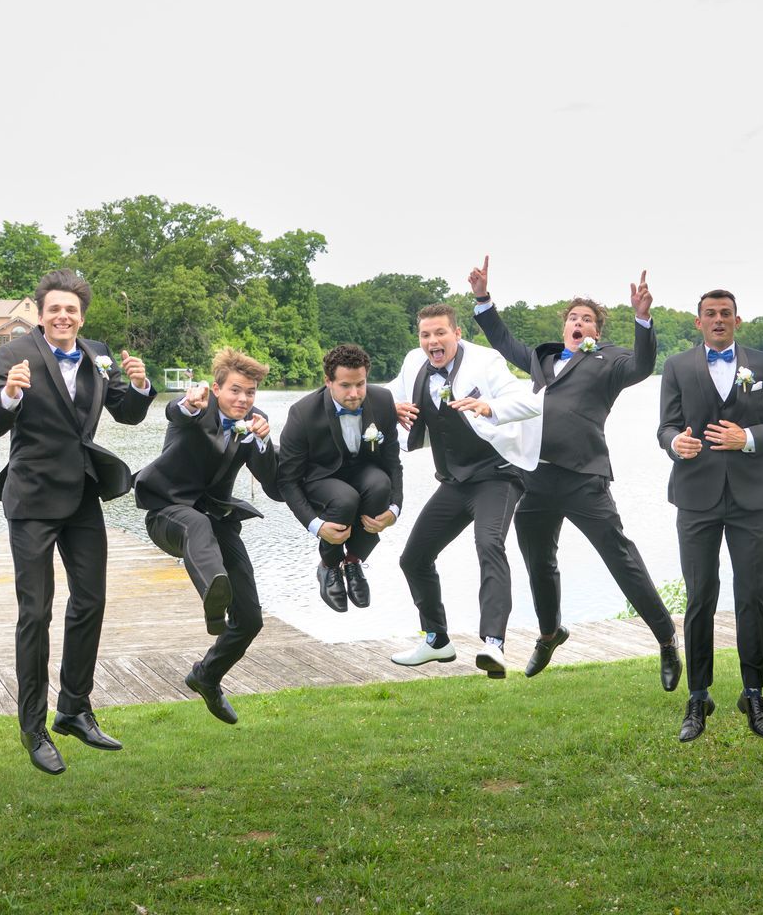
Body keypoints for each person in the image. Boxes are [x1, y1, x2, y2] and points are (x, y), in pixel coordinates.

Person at [469, 256, 683, 691]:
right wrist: (482, 299)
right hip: (536, 478)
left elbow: (643, 366)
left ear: (596, 331)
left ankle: (665, 639)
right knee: (539, 564)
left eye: (586, 319)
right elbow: (503, 340)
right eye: (572, 317)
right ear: (564, 326)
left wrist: (643, 320)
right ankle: (550, 635)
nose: (578, 322)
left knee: (621, 559)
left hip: (585, 479)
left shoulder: (609, 361)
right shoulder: (541, 359)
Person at [0, 269, 154, 774]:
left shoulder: (98, 353)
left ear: (81, 316)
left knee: (91, 600)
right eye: (55, 309)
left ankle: (74, 708)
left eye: (72, 310)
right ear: (40, 314)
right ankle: (32, 727)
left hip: (83, 496)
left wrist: (141, 386)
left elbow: (126, 412)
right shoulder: (16, 355)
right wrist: (11, 394)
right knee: (35, 613)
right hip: (33, 499)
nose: (64, 317)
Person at [658, 289, 763, 741]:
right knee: (700, 597)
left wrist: (750, 437)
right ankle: (698, 696)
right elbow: (665, 426)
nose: (718, 320)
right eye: (710, 314)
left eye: (726, 314)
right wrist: (673, 444)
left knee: (752, 596)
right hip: (695, 496)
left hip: (750, 498)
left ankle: (753, 693)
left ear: (738, 320)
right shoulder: (677, 366)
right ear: (698, 322)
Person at [386, 303, 542, 678]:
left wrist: (489, 407)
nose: (432, 341)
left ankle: (494, 645)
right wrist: (390, 407)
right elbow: (384, 396)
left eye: (440, 333)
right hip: (454, 481)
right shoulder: (414, 363)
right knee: (414, 557)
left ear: (457, 333)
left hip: (497, 475)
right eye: (425, 335)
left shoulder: (485, 362)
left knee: (489, 544)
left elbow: (531, 402)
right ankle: (437, 639)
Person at [133, 348, 279, 724]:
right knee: (196, 525)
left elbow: (274, 483)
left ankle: (207, 676)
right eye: (235, 391)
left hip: (217, 520)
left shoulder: (254, 422)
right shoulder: (196, 410)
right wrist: (187, 404)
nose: (243, 399)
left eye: (250, 393)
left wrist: (263, 442)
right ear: (216, 389)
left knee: (250, 619)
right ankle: (213, 601)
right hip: (168, 514)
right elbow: (176, 414)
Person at [274, 343, 403, 611]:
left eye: (361, 384)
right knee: (345, 500)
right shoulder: (302, 413)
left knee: (381, 486)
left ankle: (354, 561)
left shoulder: (382, 401)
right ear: (328, 381)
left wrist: (395, 508)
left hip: (363, 470)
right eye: (345, 385)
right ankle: (329, 565)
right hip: (321, 476)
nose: (355, 394)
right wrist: (315, 525)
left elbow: (392, 461)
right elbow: (287, 480)